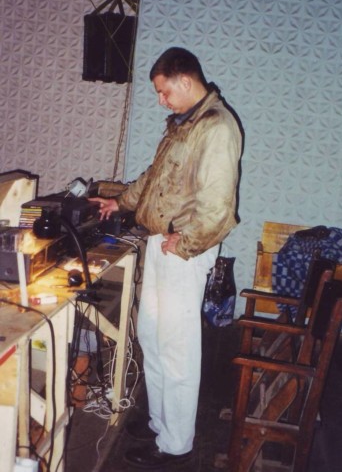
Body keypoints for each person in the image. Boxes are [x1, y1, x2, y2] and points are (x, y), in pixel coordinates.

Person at [90, 47, 242, 469]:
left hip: (183, 250)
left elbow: (219, 205)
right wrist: (120, 202)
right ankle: (160, 423)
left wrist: (187, 242)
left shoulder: (216, 127)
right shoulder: (184, 125)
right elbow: (155, 179)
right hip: (163, 242)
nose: (161, 100)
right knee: (152, 338)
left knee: (176, 349)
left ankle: (176, 444)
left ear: (185, 81)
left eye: (164, 92)